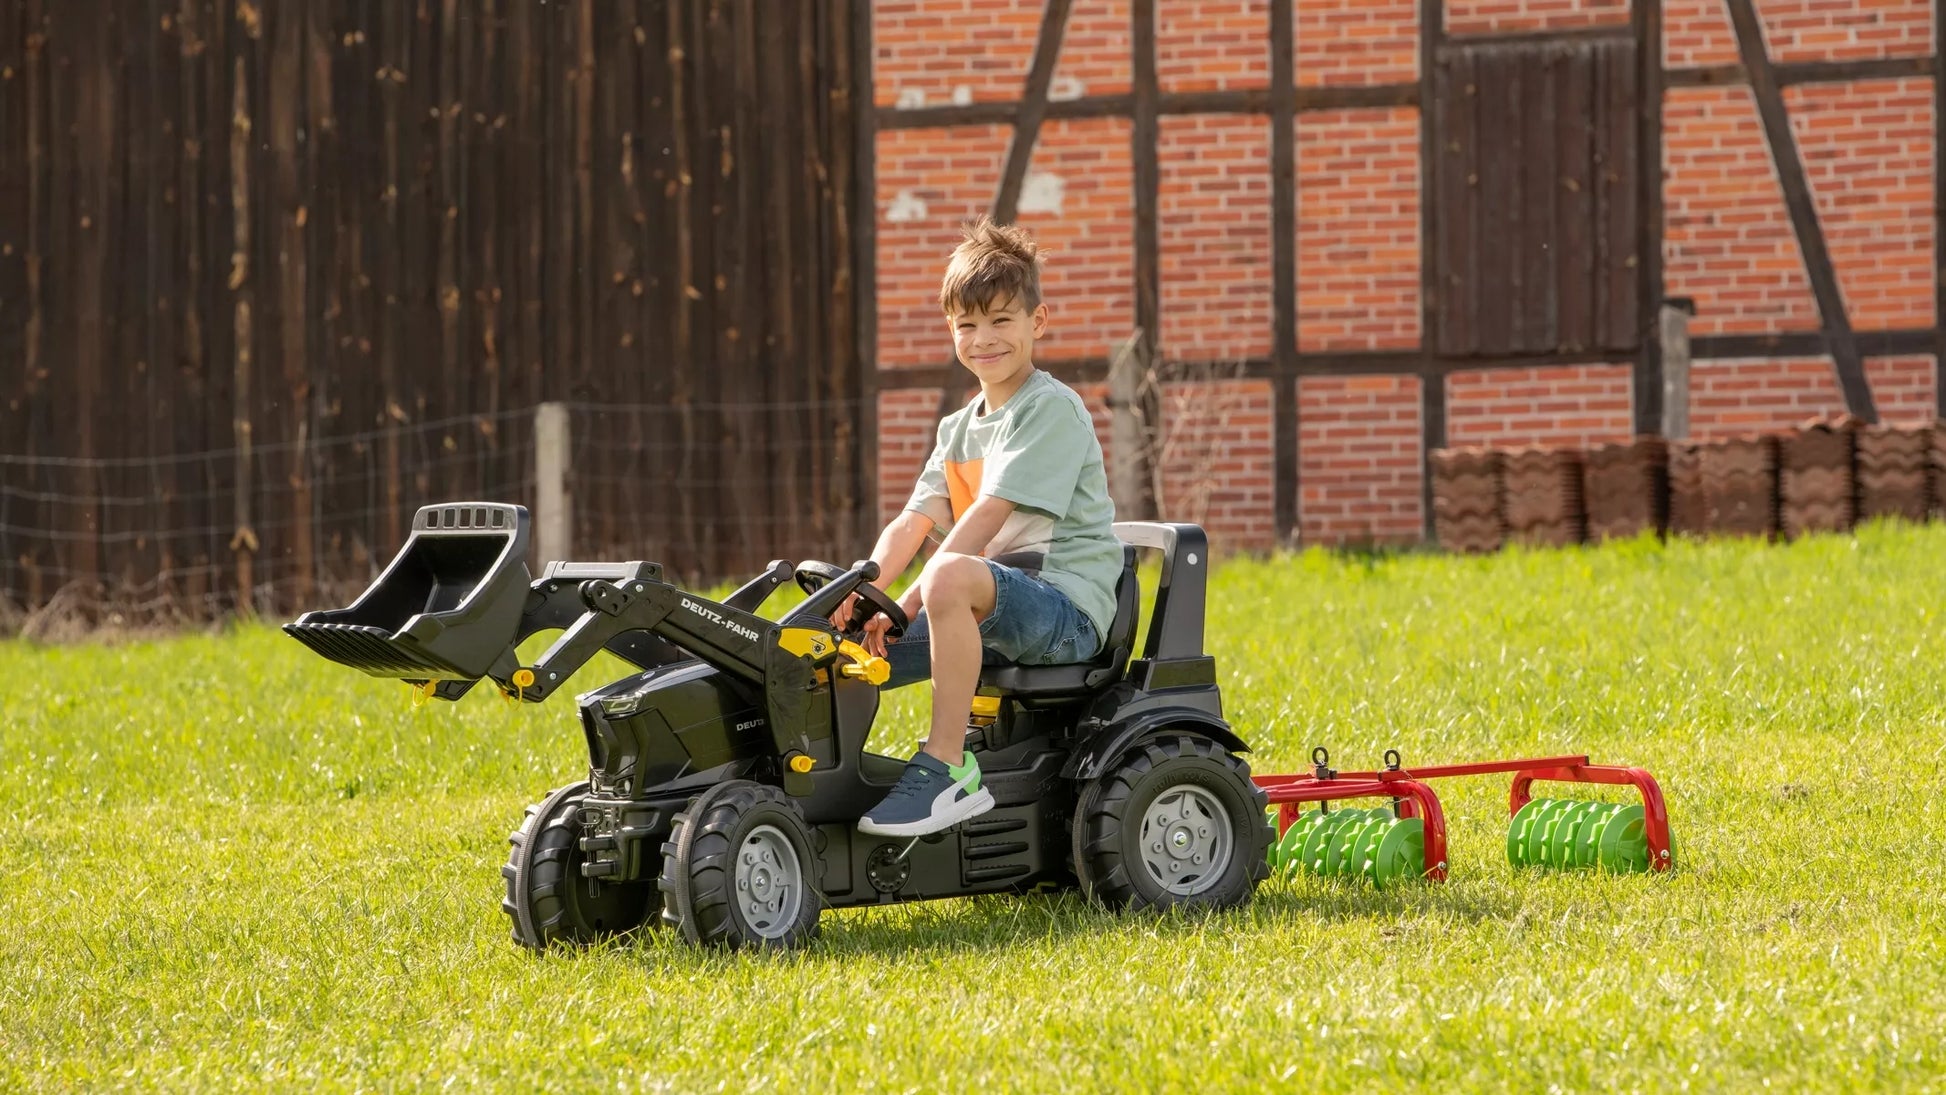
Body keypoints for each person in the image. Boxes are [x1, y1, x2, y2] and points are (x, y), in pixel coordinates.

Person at [838, 216, 1123, 838]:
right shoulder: (958, 428)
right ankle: (816, 783)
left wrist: (907, 604)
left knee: (946, 577)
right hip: (989, 607)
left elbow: (986, 516)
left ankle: (945, 768)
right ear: (951, 331)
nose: (983, 338)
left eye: (1001, 321)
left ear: (1037, 322)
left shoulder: (1049, 408)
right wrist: (866, 592)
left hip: (1064, 613)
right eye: (968, 325)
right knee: (837, 645)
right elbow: (912, 522)